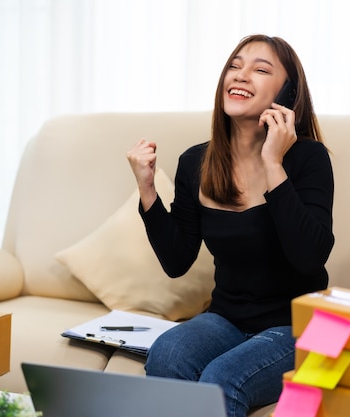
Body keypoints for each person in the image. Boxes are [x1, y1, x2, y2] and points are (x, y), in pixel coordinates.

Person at [125, 34, 334, 417]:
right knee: (165, 356)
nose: (240, 76)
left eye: (260, 69)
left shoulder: (308, 158)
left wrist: (274, 163)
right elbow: (177, 261)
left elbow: (310, 257)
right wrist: (147, 188)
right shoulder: (196, 162)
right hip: (226, 319)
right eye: (235, 66)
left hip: (296, 326)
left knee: (222, 379)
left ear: (287, 94)